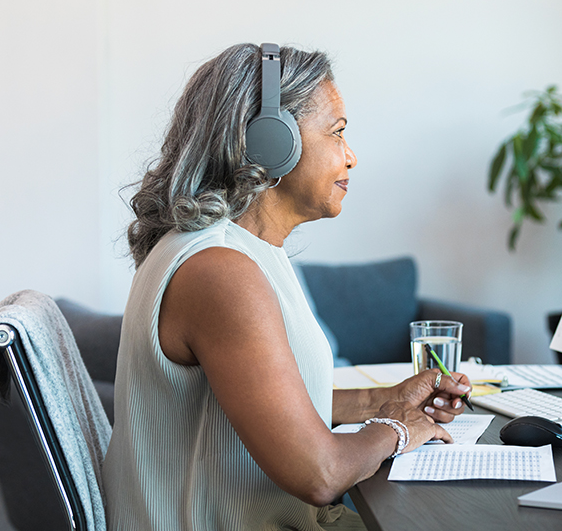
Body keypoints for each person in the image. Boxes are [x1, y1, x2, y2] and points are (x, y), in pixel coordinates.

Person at [103, 43, 471, 531]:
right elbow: (320, 474)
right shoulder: (220, 272)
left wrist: (388, 402)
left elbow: (274, 408)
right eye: (337, 133)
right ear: (272, 143)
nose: (351, 156)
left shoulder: (239, 251)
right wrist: (399, 429)